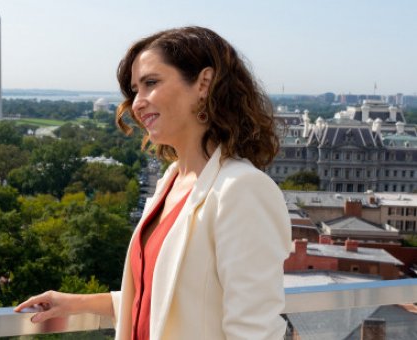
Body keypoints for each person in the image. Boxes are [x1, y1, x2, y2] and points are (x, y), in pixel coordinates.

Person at [15, 26, 291, 340]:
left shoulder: (242, 189)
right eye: (134, 91)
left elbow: (255, 332)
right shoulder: (170, 182)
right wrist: (75, 303)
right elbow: (162, 301)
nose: (137, 103)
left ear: (204, 83)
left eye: (150, 83)